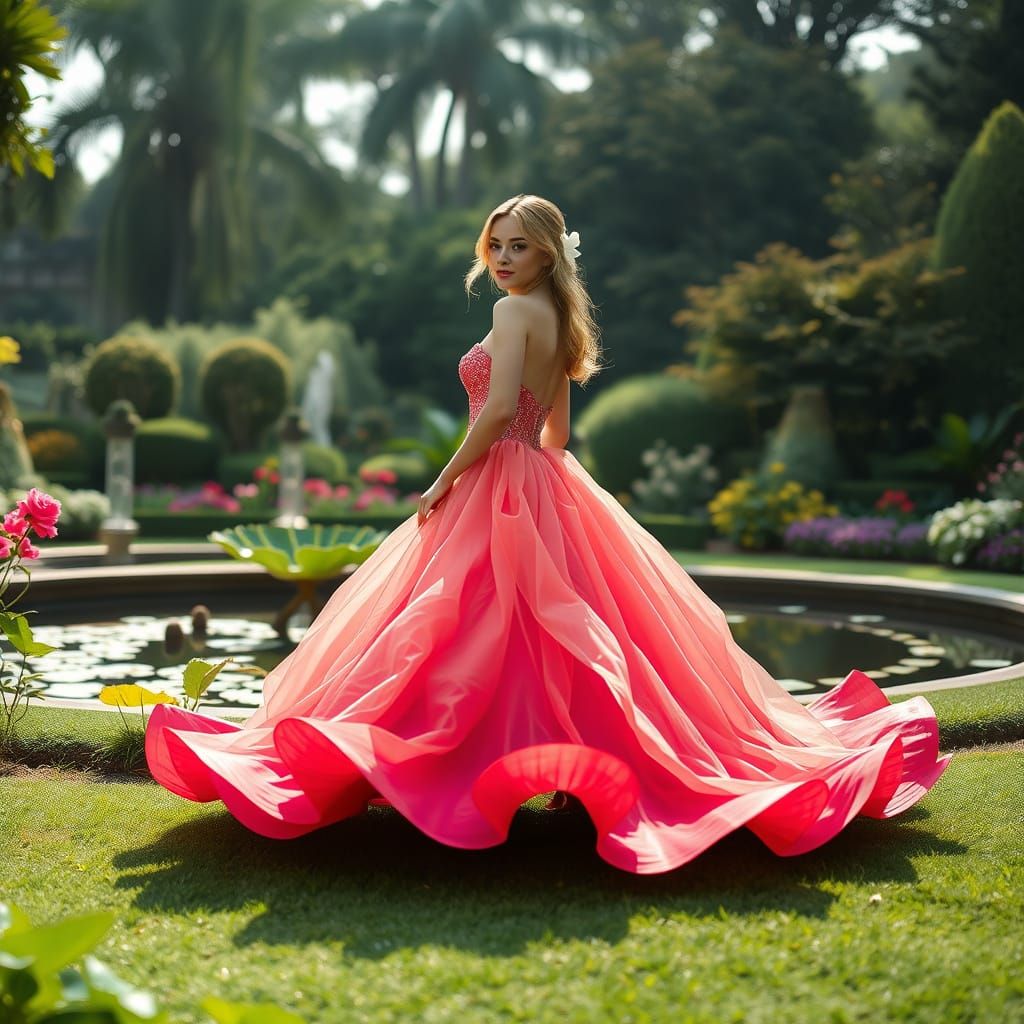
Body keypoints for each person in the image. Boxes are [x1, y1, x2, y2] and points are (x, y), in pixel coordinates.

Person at [146, 194, 950, 874]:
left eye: (519, 246)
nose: (502, 258)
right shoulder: (560, 318)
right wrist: (541, 480)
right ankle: (558, 766)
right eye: (495, 245)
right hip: (540, 476)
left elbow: (499, 410)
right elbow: (556, 433)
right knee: (551, 629)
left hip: (495, 476)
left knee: (463, 625)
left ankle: (453, 766)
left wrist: (446, 479)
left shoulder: (510, 312)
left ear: (547, 252)